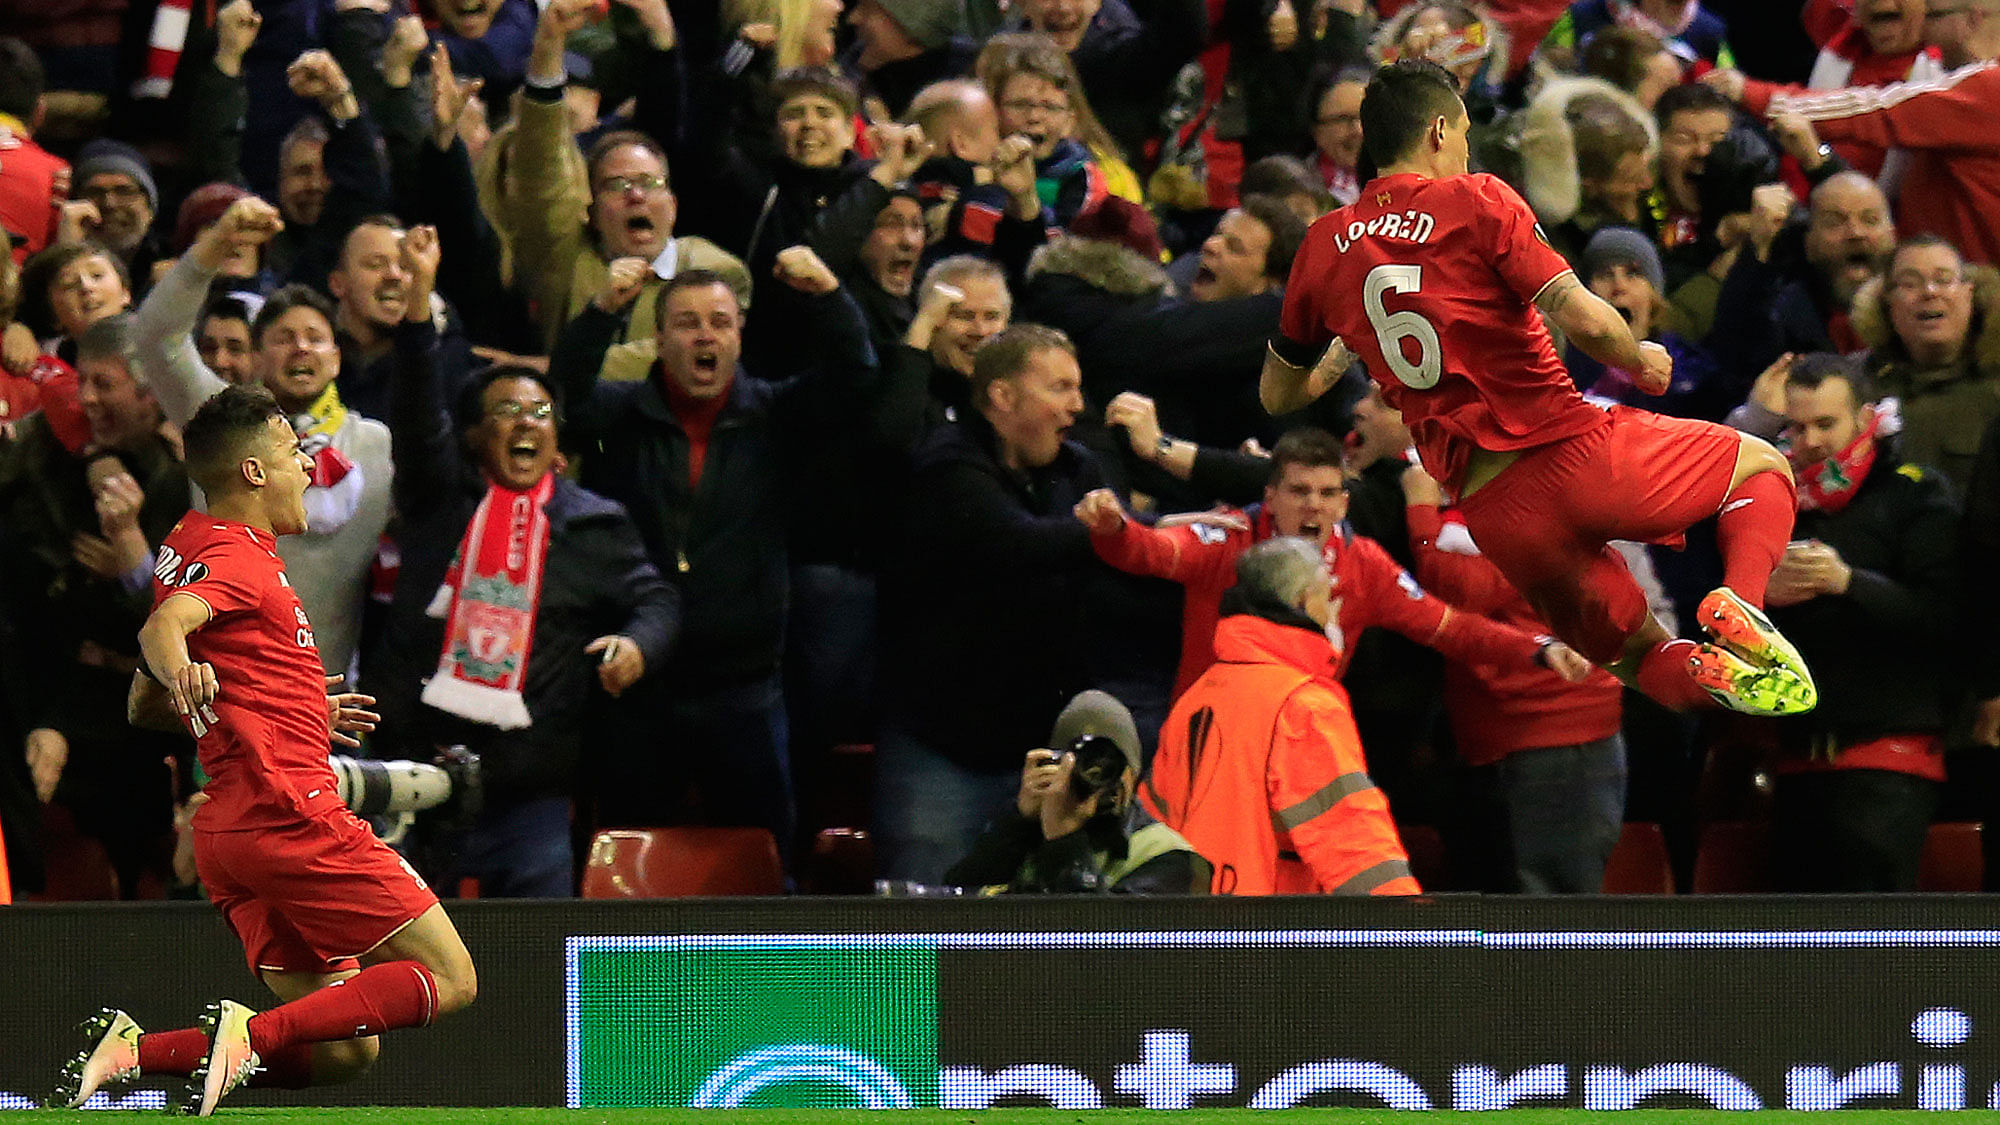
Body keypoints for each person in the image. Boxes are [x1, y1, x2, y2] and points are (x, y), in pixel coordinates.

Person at [1265, 61, 1814, 718]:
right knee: (1762, 466)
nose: (1466, 149)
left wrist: (1346, 344)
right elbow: (1581, 316)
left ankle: (1716, 673)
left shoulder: (1324, 247)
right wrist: (1637, 359)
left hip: (1495, 512)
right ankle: (1743, 605)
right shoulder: (1476, 199)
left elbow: (1278, 394)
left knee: (1637, 658)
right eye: (1464, 132)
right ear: (1439, 131)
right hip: (1570, 451)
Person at [54, 383, 475, 1116]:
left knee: (345, 1051)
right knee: (451, 976)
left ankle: (133, 1052)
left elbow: (141, 701)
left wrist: (286, 703)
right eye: (293, 453)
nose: (307, 468)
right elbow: (163, 636)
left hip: (229, 833)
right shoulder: (239, 560)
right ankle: (247, 1036)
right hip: (292, 816)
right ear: (253, 472)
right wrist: (179, 656)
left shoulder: (183, 544)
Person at [370, 227, 677, 897]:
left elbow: (657, 600)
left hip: (531, 792)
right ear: (476, 434)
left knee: (534, 971)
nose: (527, 422)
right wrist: (419, 308)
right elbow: (419, 412)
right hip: (413, 782)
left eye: (540, 411)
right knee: (401, 967)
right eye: (507, 410)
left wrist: (638, 644)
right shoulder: (438, 498)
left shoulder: (593, 522)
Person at [1074, 427, 1586, 699]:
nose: (1313, 505)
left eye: (1326, 493)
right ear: (1270, 496)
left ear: (1345, 503)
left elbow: (1448, 627)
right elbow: (1151, 552)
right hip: (1212, 735)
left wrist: (1537, 649)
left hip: (1298, 744)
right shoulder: (1229, 538)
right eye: (1299, 492)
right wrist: (1113, 527)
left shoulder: (1364, 565)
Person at [1761, 356, 1960, 891]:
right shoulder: (1773, 501)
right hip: (1796, 763)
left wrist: (1849, 582)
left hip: (1888, 764)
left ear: (1865, 417)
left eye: (1827, 424)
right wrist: (1756, 600)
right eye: (1798, 427)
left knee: (1872, 950)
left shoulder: (1916, 495)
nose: (1811, 441)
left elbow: (1946, 616)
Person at [1141, 537, 1423, 895]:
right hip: (1272, 928)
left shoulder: (1196, 699)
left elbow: (1154, 823)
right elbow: (1349, 834)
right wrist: (1408, 929)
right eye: (1328, 596)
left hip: (1190, 923)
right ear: (1303, 602)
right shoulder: (1303, 705)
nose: (1336, 609)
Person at [1400, 462, 1628, 894]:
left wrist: (1420, 513)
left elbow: (1460, 591)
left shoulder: (1538, 507)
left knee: (1547, 907)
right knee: (1512, 899)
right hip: (1519, 737)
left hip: (1555, 737)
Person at [944, 689, 1208, 893]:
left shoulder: (1170, 857)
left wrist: (1064, 839)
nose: (1095, 777)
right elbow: (953, 912)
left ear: (1133, 773)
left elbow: (1103, 954)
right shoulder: (1029, 833)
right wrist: (1019, 822)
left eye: (1109, 765)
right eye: (1082, 764)